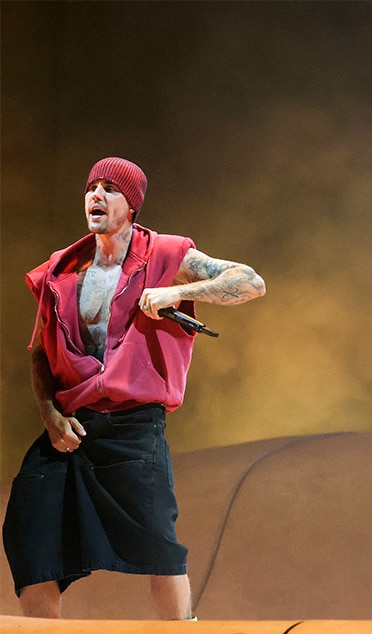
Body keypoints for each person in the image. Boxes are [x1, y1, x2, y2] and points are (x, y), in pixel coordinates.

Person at [2, 157, 266, 619]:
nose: (96, 195)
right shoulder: (62, 270)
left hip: (134, 425)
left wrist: (175, 293)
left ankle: (181, 629)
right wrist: (49, 413)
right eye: (92, 187)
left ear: (132, 205)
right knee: (30, 532)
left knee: (157, 544)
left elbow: (250, 282)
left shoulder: (164, 254)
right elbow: (40, 352)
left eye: (110, 188)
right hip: (73, 427)